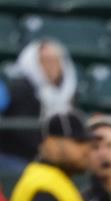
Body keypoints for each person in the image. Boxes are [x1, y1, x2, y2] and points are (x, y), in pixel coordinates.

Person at [0, 40, 77, 172]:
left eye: (55, 61)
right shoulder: (21, 88)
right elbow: (21, 130)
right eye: (45, 61)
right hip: (17, 156)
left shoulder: (69, 93)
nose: (51, 66)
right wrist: (47, 149)